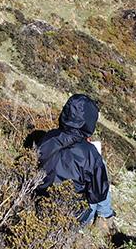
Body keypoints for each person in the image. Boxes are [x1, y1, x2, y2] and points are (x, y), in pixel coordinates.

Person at [36, 94, 114, 229]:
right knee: (99, 169)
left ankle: (105, 216)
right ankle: (105, 217)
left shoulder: (48, 136)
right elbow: (98, 194)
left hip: (38, 205)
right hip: (71, 217)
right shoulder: (90, 153)